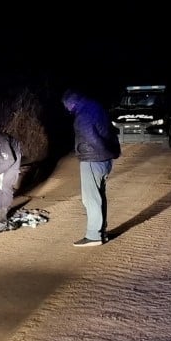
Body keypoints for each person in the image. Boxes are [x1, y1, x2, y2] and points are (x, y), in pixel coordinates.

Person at [61, 90, 120, 246]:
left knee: (91, 199)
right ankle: (102, 232)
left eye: (66, 106)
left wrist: (105, 152)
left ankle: (94, 235)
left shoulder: (82, 116)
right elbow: (111, 131)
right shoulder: (96, 108)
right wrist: (113, 152)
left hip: (93, 159)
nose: (67, 110)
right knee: (99, 196)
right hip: (103, 160)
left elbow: (92, 138)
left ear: (71, 103)